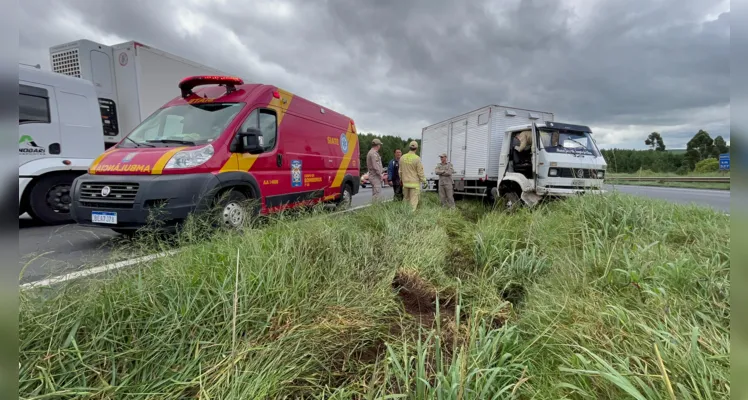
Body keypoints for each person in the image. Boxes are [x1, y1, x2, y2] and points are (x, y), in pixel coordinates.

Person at [398, 140, 427, 211]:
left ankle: (403, 214)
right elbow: (420, 172)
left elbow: (400, 171)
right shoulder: (417, 158)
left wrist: (401, 179)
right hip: (414, 184)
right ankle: (411, 217)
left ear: (409, 147)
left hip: (405, 183)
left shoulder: (402, 157)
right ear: (416, 148)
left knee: (405, 200)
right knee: (413, 202)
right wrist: (424, 181)